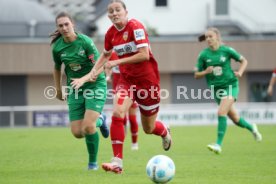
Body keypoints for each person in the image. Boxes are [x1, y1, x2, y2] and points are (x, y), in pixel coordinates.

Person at [71, 0, 172, 174]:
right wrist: (88, 76)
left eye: (118, 10)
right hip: (127, 81)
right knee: (118, 113)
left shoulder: (136, 27)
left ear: (126, 12)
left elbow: (144, 55)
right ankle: (117, 162)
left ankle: (164, 132)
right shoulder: (110, 34)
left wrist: (117, 61)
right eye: (110, 11)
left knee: (148, 128)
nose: (114, 13)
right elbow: (105, 55)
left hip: (148, 82)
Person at [50, 12, 109, 170]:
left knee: (88, 127)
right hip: (75, 89)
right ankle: (101, 120)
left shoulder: (85, 42)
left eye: (66, 24)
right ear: (58, 28)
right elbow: (57, 68)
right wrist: (58, 89)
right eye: (60, 25)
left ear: (73, 24)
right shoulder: (57, 48)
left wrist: (83, 79)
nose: (64, 28)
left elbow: (99, 67)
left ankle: (92, 164)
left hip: (95, 85)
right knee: (77, 132)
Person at [194, 27, 262, 154]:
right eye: (206, 37)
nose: (208, 39)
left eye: (211, 36)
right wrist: (205, 72)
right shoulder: (203, 55)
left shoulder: (227, 50)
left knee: (221, 112)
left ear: (217, 37)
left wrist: (240, 72)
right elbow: (196, 75)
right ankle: (252, 128)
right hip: (216, 90)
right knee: (235, 119)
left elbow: (244, 61)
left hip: (230, 85)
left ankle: (218, 145)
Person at [105, 52, 139, 151]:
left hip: (131, 89)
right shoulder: (113, 54)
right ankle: (121, 142)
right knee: (121, 118)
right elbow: (108, 66)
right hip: (118, 90)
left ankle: (134, 143)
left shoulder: (130, 53)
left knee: (132, 119)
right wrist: (108, 76)